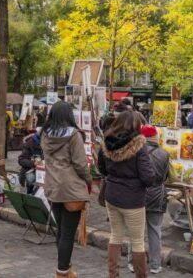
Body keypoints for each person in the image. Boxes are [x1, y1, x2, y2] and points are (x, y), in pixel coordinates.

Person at [98, 111, 156, 278]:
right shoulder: (139, 145)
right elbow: (148, 177)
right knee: (137, 241)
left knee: (115, 235)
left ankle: (113, 274)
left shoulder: (106, 142)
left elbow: (101, 168)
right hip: (133, 199)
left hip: (112, 195)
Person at [41, 101, 92, 278]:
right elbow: (80, 164)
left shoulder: (45, 135)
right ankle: (62, 271)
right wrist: (88, 179)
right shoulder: (74, 135)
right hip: (71, 189)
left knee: (61, 230)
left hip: (52, 186)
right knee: (68, 233)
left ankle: (66, 267)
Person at [126, 124, 170, 275]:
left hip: (138, 195)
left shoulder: (135, 152)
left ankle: (132, 262)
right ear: (156, 137)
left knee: (136, 232)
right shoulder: (164, 154)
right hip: (157, 196)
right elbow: (165, 177)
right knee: (155, 231)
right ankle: (155, 265)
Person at [18, 129, 43, 194]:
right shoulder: (29, 144)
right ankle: (30, 194)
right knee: (31, 178)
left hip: (43, 171)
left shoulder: (49, 145)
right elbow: (21, 160)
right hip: (30, 171)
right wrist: (33, 163)